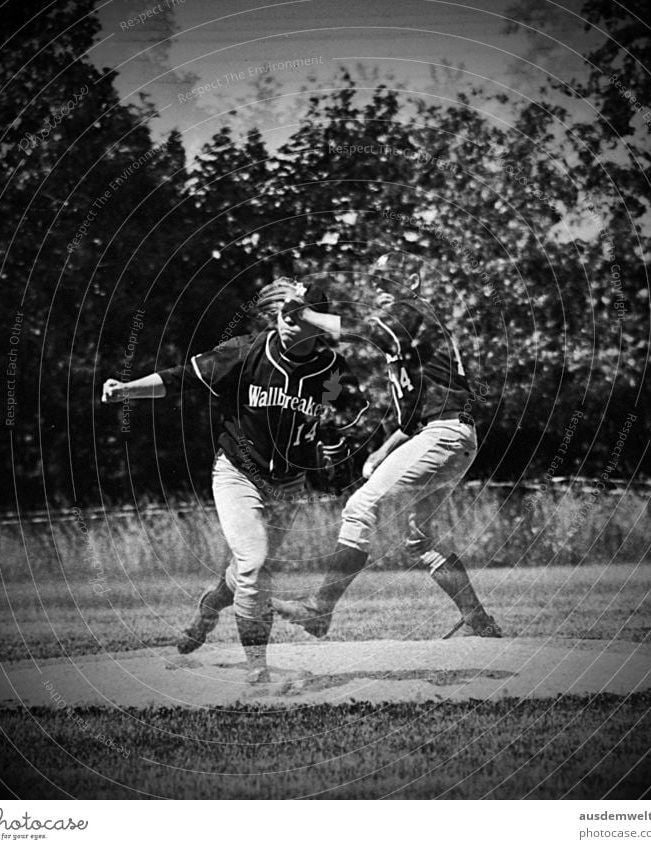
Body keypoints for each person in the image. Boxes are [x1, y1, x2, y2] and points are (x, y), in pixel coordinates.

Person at [102, 278, 366, 682]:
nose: (289, 321)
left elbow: (352, 417)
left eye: (300, 315)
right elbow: (180, 377)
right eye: (284, 313)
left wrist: (342, 444)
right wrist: (126, 391)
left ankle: (209, 607)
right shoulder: (247, 350)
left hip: (288, 486)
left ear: (318, 323)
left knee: (244, 572)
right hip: (238, 474)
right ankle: (257, 668)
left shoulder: (331, 370)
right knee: (255, 564)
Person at [272, 252, 501, 640]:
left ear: (411, 281)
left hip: (444, 434)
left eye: (386, 278)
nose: (377, 286)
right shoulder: (411, 341)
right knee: (421, 539)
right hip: (447, 434)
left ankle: (320, 609)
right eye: (374, 280)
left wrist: (305, 312)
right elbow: (412, 417)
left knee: (360, 506)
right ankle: (478, 618)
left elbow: (363, 328)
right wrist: (382, 452)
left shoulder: (411, 312)